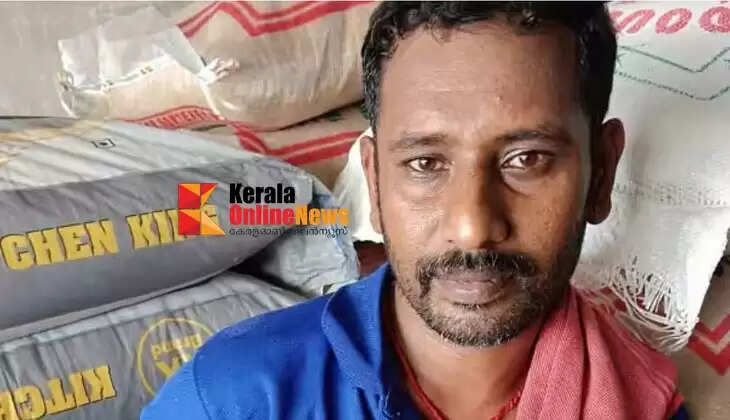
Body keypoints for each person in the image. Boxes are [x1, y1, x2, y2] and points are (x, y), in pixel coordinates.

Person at [142, 2, 689, 419]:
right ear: (375, 182)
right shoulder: (234, 399)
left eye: (527, 159)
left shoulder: (646, 405)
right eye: (425, 163)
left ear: (601, 174)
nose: (472, 227)